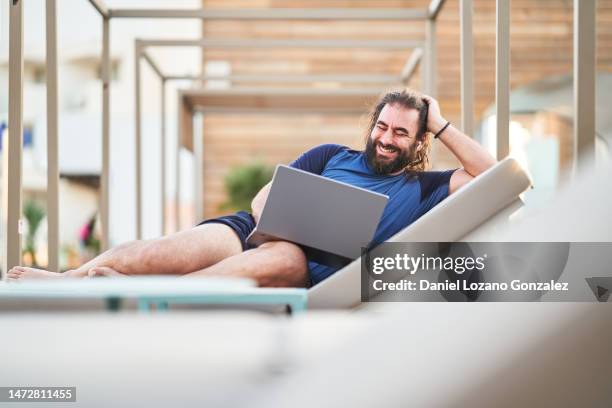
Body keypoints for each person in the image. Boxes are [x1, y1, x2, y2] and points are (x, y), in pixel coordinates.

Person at [7, 90, 496, 287]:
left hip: (306, 263)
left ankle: (146, 298)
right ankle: (74, 278)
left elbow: (493, 174)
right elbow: (264, 199)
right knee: (159, 251)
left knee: (287, 258)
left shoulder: (425, 187)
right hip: (254, 231)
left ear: (418, 141)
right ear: (372, 125)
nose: (386, 139)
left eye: (401, 132)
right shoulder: (332, 155)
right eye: (382, 127)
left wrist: (442, 122)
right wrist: (283, 218)